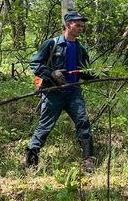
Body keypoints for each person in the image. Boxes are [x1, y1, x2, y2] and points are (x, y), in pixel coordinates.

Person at [25, 10, 96, 172]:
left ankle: (88, 160)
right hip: (53, 93)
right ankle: (31, 162)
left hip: (73, 92)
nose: (81, 28)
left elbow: (85, 72)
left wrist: (97, 74)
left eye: (82, 26)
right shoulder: (52, 44)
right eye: (77, 25)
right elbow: (35, 64)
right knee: (45, 125)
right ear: (67, 25)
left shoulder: (81, 49)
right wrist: (51, 73)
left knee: (83, 121)